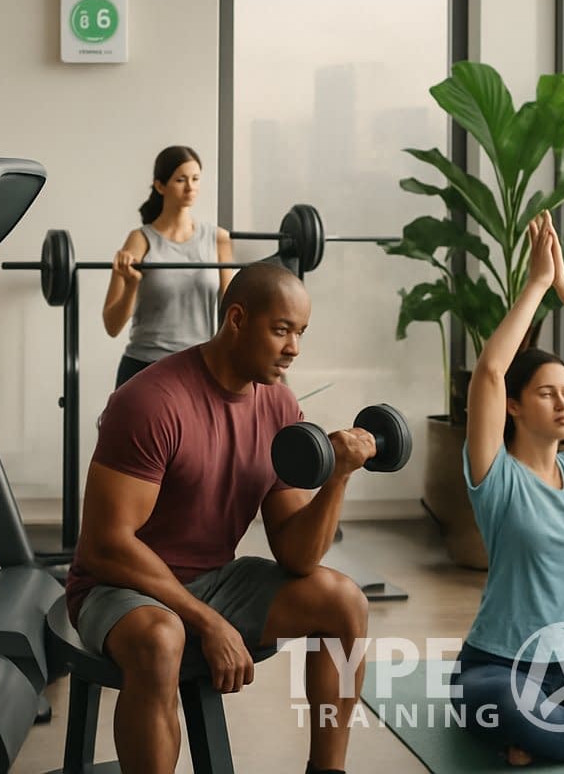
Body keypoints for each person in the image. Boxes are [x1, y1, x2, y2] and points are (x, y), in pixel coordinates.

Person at [69, 261, 374, 774]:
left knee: (344, 603)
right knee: (161, 639)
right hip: (118, 589)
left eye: (300, 333)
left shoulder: (279, 406)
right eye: (281, 330)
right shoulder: (151, 402)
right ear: (237, 319)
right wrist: (208, 622)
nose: (294, 348)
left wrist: (338, 476)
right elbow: (106, 545)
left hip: (215, 580)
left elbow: (296, 555)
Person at [452, 211, 564, 764]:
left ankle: (556, 730)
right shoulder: (495, 473)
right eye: (547, 394)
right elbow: (488, 371)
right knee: (498, 702)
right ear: (514, 405)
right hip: (496, 667)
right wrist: (534, 286)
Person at [103, 145, 234, 388]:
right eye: (180, 179)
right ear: (160, 185)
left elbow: (231, 310)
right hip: (144, 367)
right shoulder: (139, 240)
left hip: (198, 367)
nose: (190, 187)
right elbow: (112, 325)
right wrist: (132, 285)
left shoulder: (218, 239)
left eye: (195, 179)